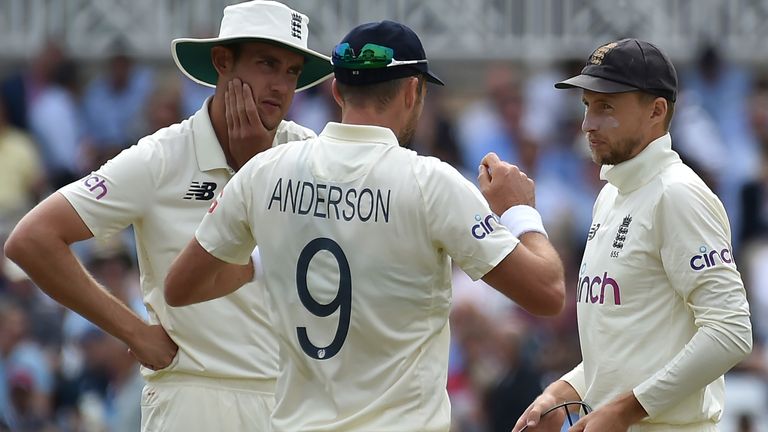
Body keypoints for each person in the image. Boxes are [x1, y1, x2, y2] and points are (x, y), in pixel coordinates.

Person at [165, 20, 566, 431]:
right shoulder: (431, 182)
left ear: (337, 91)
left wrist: (273, 259)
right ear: (413, 92)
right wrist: (520, 212)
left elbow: (180, 288)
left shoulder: (263, 170)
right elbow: (548, 294)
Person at [4, 1, 333, 431]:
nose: (281, 86)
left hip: (293, 401)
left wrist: (257, 171)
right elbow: (31, 240)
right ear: (221, 61)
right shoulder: (160, 159)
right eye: (267, 63)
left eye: (292, 71)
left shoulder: (311, 154)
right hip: (192, 398)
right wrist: (136, 333)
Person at [514, 38, 753, 432]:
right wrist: (561, 391)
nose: (588, 123)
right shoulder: (610, 195)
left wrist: (626, 410)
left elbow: (731, 332)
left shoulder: (676, 194)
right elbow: (626, 348)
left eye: (606, 106)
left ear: (657, 110)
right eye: (587, 105)